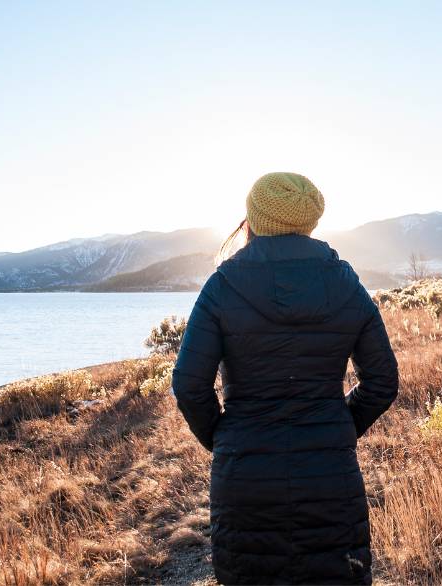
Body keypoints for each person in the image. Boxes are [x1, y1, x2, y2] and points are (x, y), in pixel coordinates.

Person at [171, 172, 399, 585]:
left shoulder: (222, 285)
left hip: (245, 479)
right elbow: (382, 381)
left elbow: (189, 384)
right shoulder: (346, 283)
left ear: (252, 220)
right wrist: (339, 424)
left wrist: (224, 437)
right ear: (309, 221)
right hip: (330, 475)